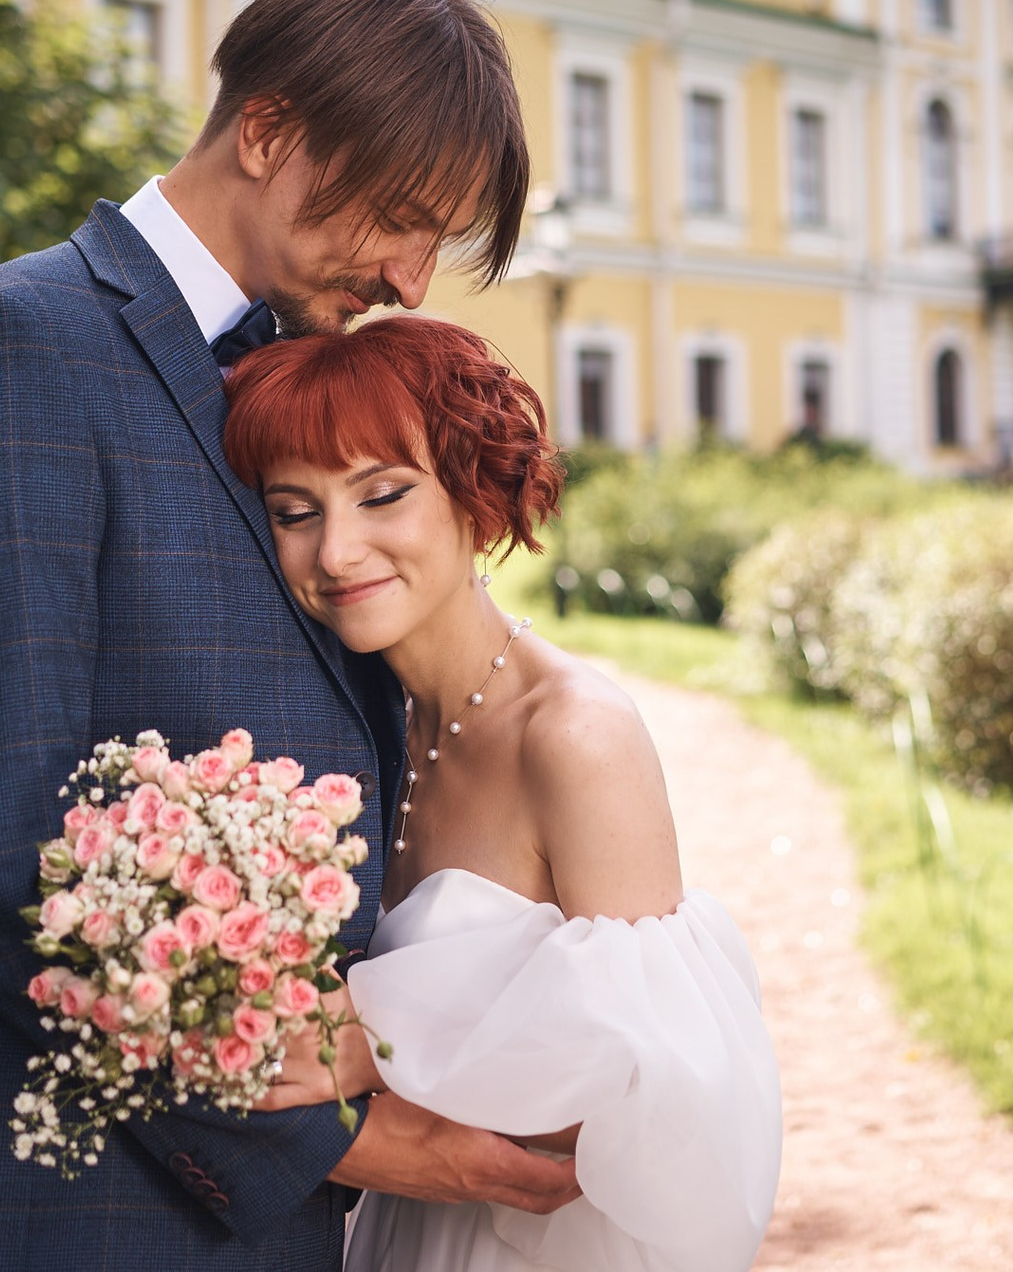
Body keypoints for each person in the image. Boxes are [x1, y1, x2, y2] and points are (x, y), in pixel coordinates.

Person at [0, 0, 581, 1272]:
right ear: (268, 132)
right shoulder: (17, 348)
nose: (411, 279)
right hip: (86, 1205)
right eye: (404, 218)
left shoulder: (292, 372)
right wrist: (338, 1137)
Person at [221, 316, 782, 1272]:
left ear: (473, 492)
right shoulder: (352, 733)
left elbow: (660, 1101)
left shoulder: (573, 735)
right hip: (407, 1230)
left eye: (382, 494)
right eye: (295, 510)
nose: (337, 551)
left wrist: (373, 1045)